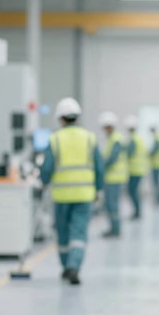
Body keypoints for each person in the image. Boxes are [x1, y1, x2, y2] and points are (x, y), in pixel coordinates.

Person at [40, 97, 103, 285]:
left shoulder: (55, 139)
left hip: (61, 196)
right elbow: (99, 167)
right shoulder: (90, 138)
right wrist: (98, 189)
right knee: (79, 233)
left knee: (63, 234)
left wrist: (44, 183)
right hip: (84, 195)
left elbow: (47, 167)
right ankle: (75, 266)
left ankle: (66, 266)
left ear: (60, 119)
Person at [99, 111, 127, 238]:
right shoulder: (112, 138)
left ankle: (115, 229)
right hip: (111, 177)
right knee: (110, 205)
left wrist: (101, 166)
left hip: (115, 177)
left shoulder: (116, 139)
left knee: (112, 205)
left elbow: (112, 158)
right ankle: (114, 228)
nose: (104, 130)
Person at [124, 115, 147, 220]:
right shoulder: (138, 138)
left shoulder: (133, 139)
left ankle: (137, 212)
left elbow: (129, 153)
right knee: (134, 191)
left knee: (132, 191)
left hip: (135, 170)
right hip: (139, 169)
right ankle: (137, 212)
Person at [149, 124, 159, 206]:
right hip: (157, 165)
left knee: (157, 183)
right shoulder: (157, 138)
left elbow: (154, 151)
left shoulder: (157, 138)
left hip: (157, 165)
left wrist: (147, 153)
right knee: (157, 183)